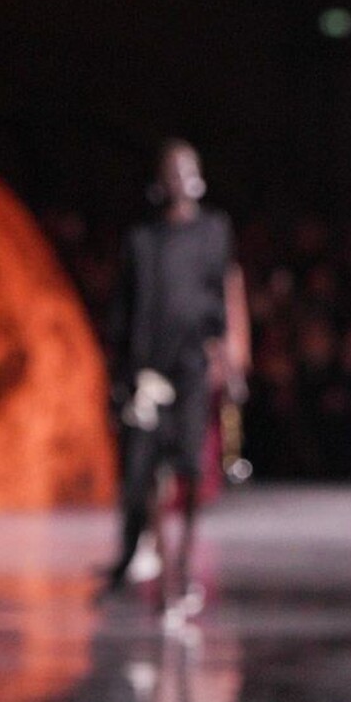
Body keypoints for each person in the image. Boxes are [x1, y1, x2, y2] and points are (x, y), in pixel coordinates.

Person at [102, 139, 240, 621]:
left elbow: (221, 295)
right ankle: (161, 573)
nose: (181, 179)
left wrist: (227, 360)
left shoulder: (214, 231)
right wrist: (123, 373)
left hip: (191, 366)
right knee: (146, 471)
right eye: (172, 171)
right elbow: (126, 307)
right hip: (148, 370)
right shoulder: (143, 240)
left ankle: (182, 564)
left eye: (187, 169)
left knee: (191, 467)